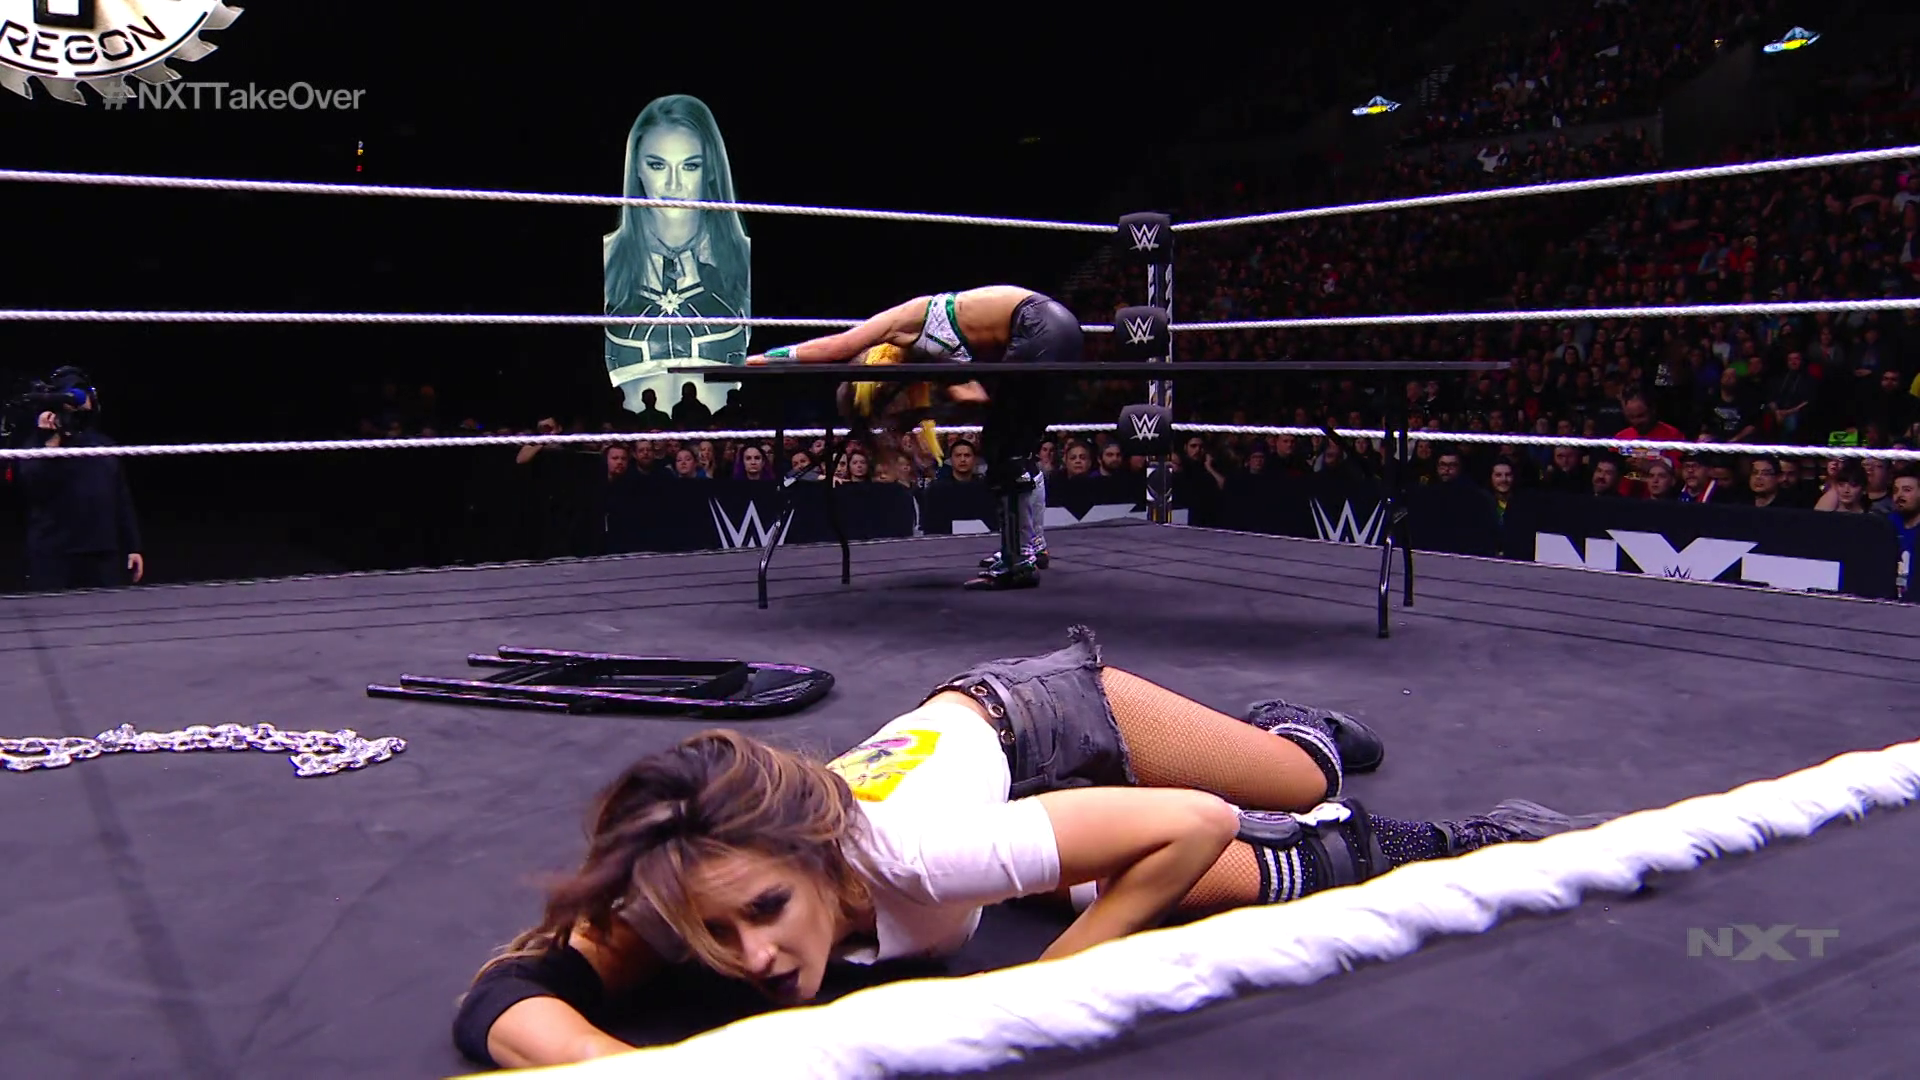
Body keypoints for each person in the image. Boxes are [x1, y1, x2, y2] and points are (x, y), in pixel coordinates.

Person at [453, 627, 1608, 1069]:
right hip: (998, 815)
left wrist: (1053, 981)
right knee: (1248, 881)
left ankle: (1300, 735)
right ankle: (1363, 833)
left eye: (765, 913)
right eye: (720, 930)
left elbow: (1191, 820)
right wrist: (612, 1066)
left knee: (1291, 790)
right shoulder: (689, 891)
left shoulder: (915, 858)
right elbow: (502, 999)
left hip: (1045, 721)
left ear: (819, 864)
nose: (751, 956)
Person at [746, 285, 1073, 588]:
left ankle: (1018, 562)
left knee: (1004, 447)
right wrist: (913, 417)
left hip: (1036, 324)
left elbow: (836, 347)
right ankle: (1032, 548)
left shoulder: (907, 318)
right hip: (1057, 329)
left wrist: (759, 359)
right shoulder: (938, 356)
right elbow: (974, 399)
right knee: (1016, 444)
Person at [604, 95, 753, 416]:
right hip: (630, 434)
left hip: (725, 432)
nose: (673, 184)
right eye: (657, 165)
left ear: (710, 170)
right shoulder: (609, 257)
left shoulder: (743, 256)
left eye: (690, 165)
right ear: (636, 168)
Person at [11, 368, 145, 590]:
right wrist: (50, 444)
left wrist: (133, 546)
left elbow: (121, 499)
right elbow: (31, 486)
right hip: (53, 553)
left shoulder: (104, 445)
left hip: (102, 552)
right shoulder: (36, 445)